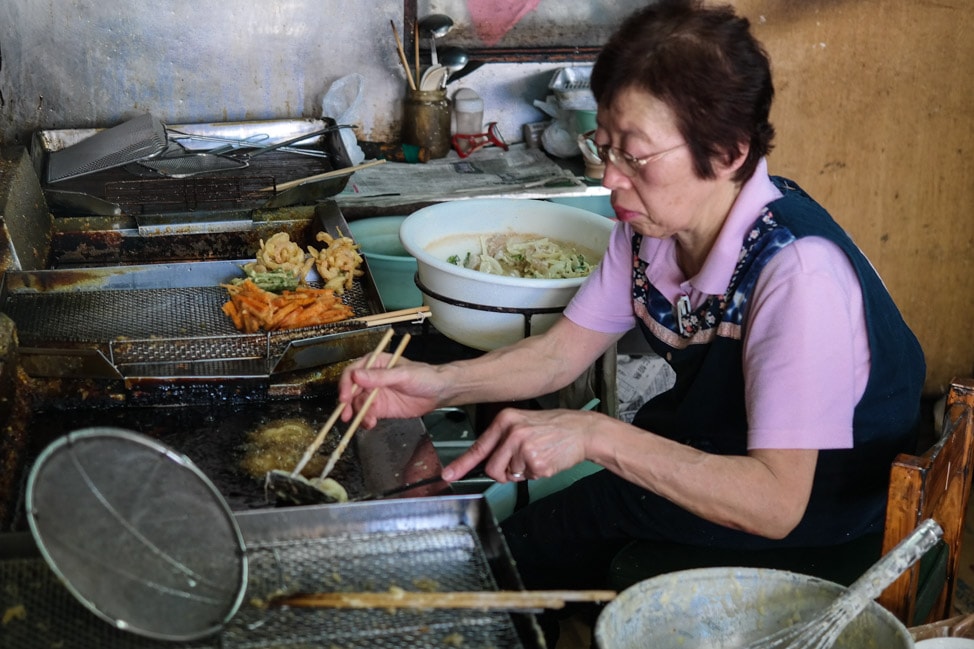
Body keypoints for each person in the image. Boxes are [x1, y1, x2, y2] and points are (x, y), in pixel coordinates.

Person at [339, 0, 924, 621]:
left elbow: (776, 503)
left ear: (727, 153)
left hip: (815, 515)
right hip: (709, 455)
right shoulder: (653, 228)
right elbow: (562, 352)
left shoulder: (796, 273)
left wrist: (594, 434)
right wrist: (438, 385)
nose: (612, 178)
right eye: (605, 146)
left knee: (509, 571)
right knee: (507, 559)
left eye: (635, 156)